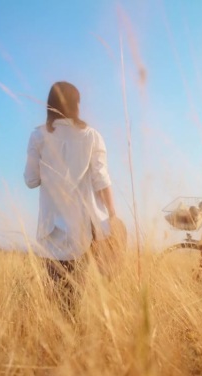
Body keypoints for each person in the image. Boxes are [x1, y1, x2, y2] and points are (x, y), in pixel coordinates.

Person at [24, 81, 120, 313]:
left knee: (57, 302)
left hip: (51, 232)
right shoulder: (92, 137)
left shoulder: (38, 136)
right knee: (78, 294)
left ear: (50, 105)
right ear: (77, 105)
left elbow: (30, 181)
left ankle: (62, 342)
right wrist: (113, 216)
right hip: (83, 232)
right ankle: (77, 342)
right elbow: (101, 180)